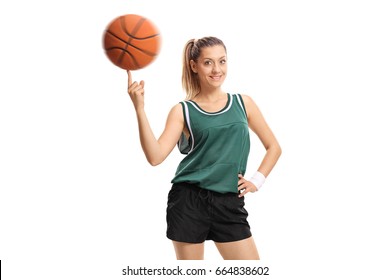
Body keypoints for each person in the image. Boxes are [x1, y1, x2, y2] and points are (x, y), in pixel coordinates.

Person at [127, 36, 281, 260]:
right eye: (208, 62)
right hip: (188, 201)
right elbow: (155, 156)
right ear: (194, 66)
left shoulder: (243, 103)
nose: (216, 69)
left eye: (222, 61)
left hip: (229, 201)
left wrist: (256, 181)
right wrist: (139, 108)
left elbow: (274, 146)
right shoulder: (183, 111)